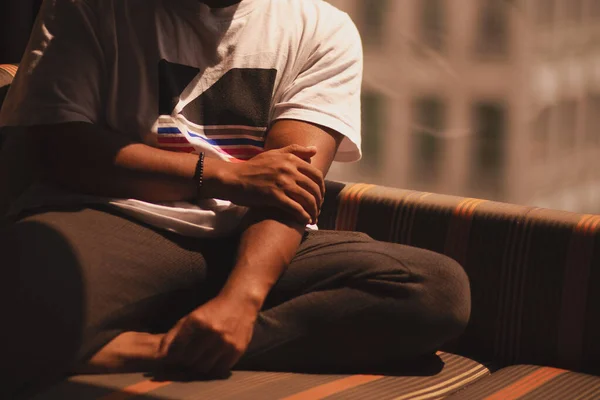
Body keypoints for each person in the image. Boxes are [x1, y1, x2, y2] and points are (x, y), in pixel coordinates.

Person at [0, 0, 471, 396]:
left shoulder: (320, 26)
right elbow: (60, 149)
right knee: (17, 287)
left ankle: (174, 342)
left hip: (253, 239)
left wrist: (241, 302)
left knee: (435, 290)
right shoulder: (91, 7)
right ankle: (162, 345)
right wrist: (226, 176)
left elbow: (289, 189)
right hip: (116, 219)